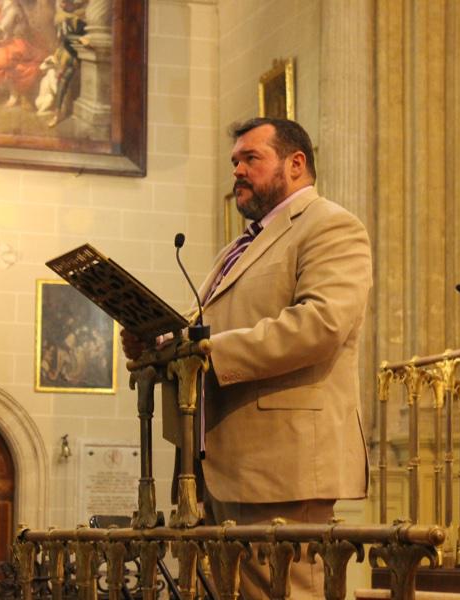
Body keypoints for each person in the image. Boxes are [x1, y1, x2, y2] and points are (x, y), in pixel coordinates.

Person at [121, 118, 373, 599]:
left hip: (282, 468)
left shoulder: (331, 226)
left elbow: (321, 324)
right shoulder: (237, 248)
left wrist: (208, 353)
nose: (237, 170)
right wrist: (156, 347)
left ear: (295, 163)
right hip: (217, 464)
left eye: (250, 159)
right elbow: (204, 333)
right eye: (234, 161)